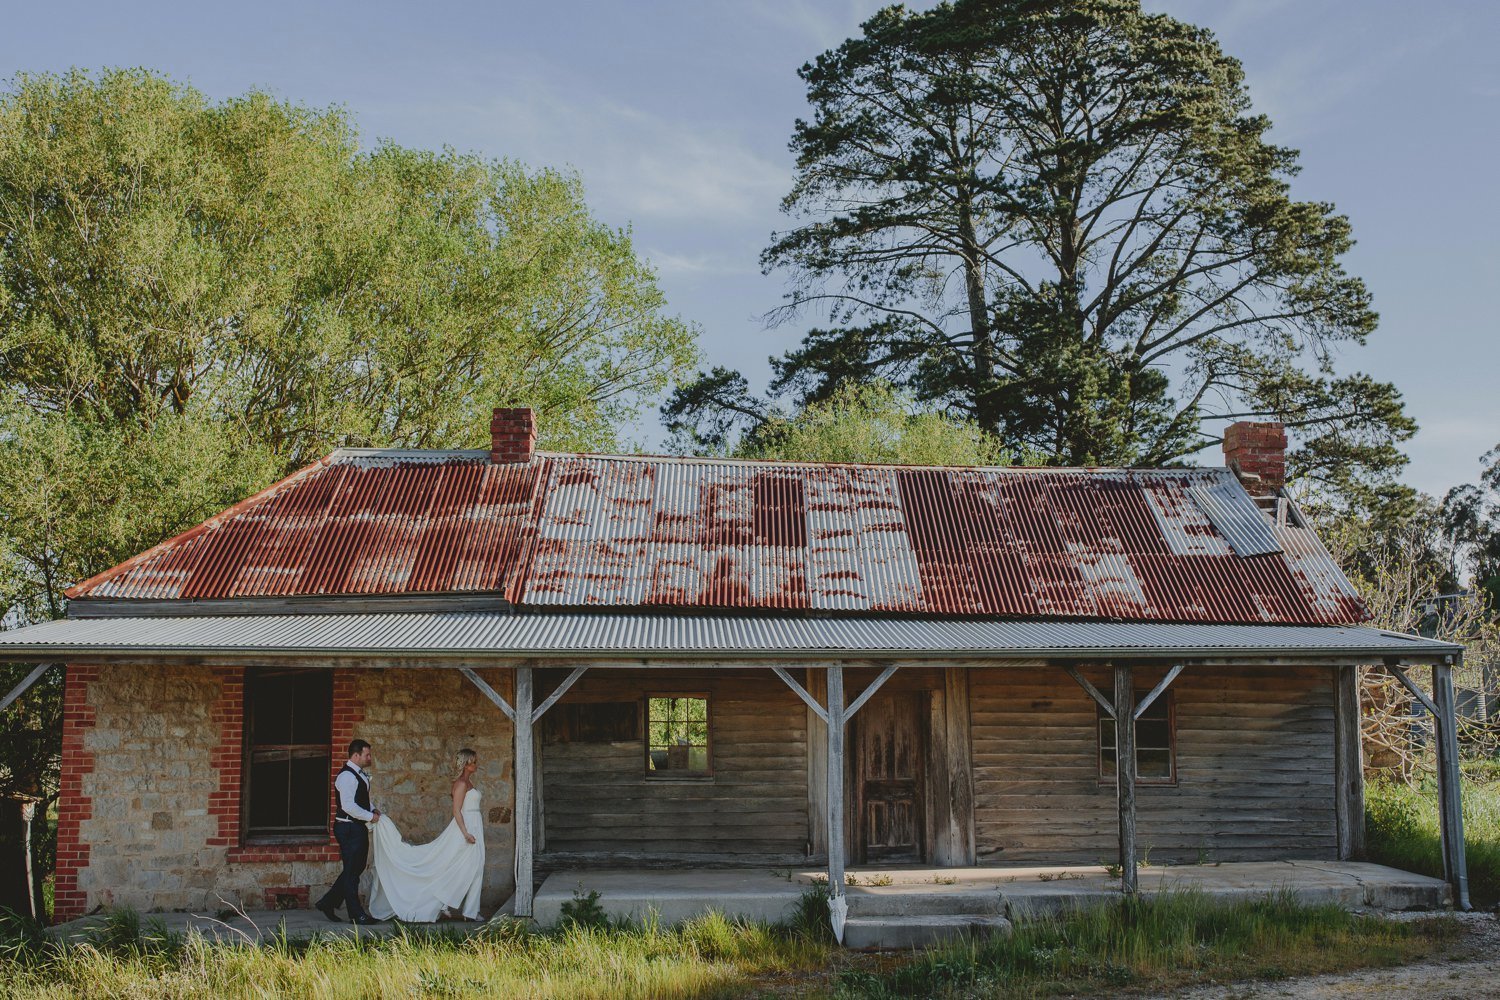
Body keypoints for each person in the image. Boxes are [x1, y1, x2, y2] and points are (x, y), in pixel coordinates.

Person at [367, 748, 486, 922]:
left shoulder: (469, 783)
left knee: (475, 867)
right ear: (466, 764)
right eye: (473, 761)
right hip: (464, 828)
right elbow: (456, 811)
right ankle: (445, 903)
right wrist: (465, 833)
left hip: (475, 825)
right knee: (459, 866)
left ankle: (469, 910)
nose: (476, 764)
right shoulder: (460, 784)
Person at [316, 738, 382, 925]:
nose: (369, 758)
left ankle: (327, 902)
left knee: (355, 868)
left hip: (356, 827)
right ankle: (356, 914)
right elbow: (348, 806)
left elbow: (360, 798)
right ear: (356, 755)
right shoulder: (346, 776)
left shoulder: (358, 774)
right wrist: (370, 817)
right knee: (352, 872)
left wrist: (373, 808)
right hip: (348, 827)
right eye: (367, 754)